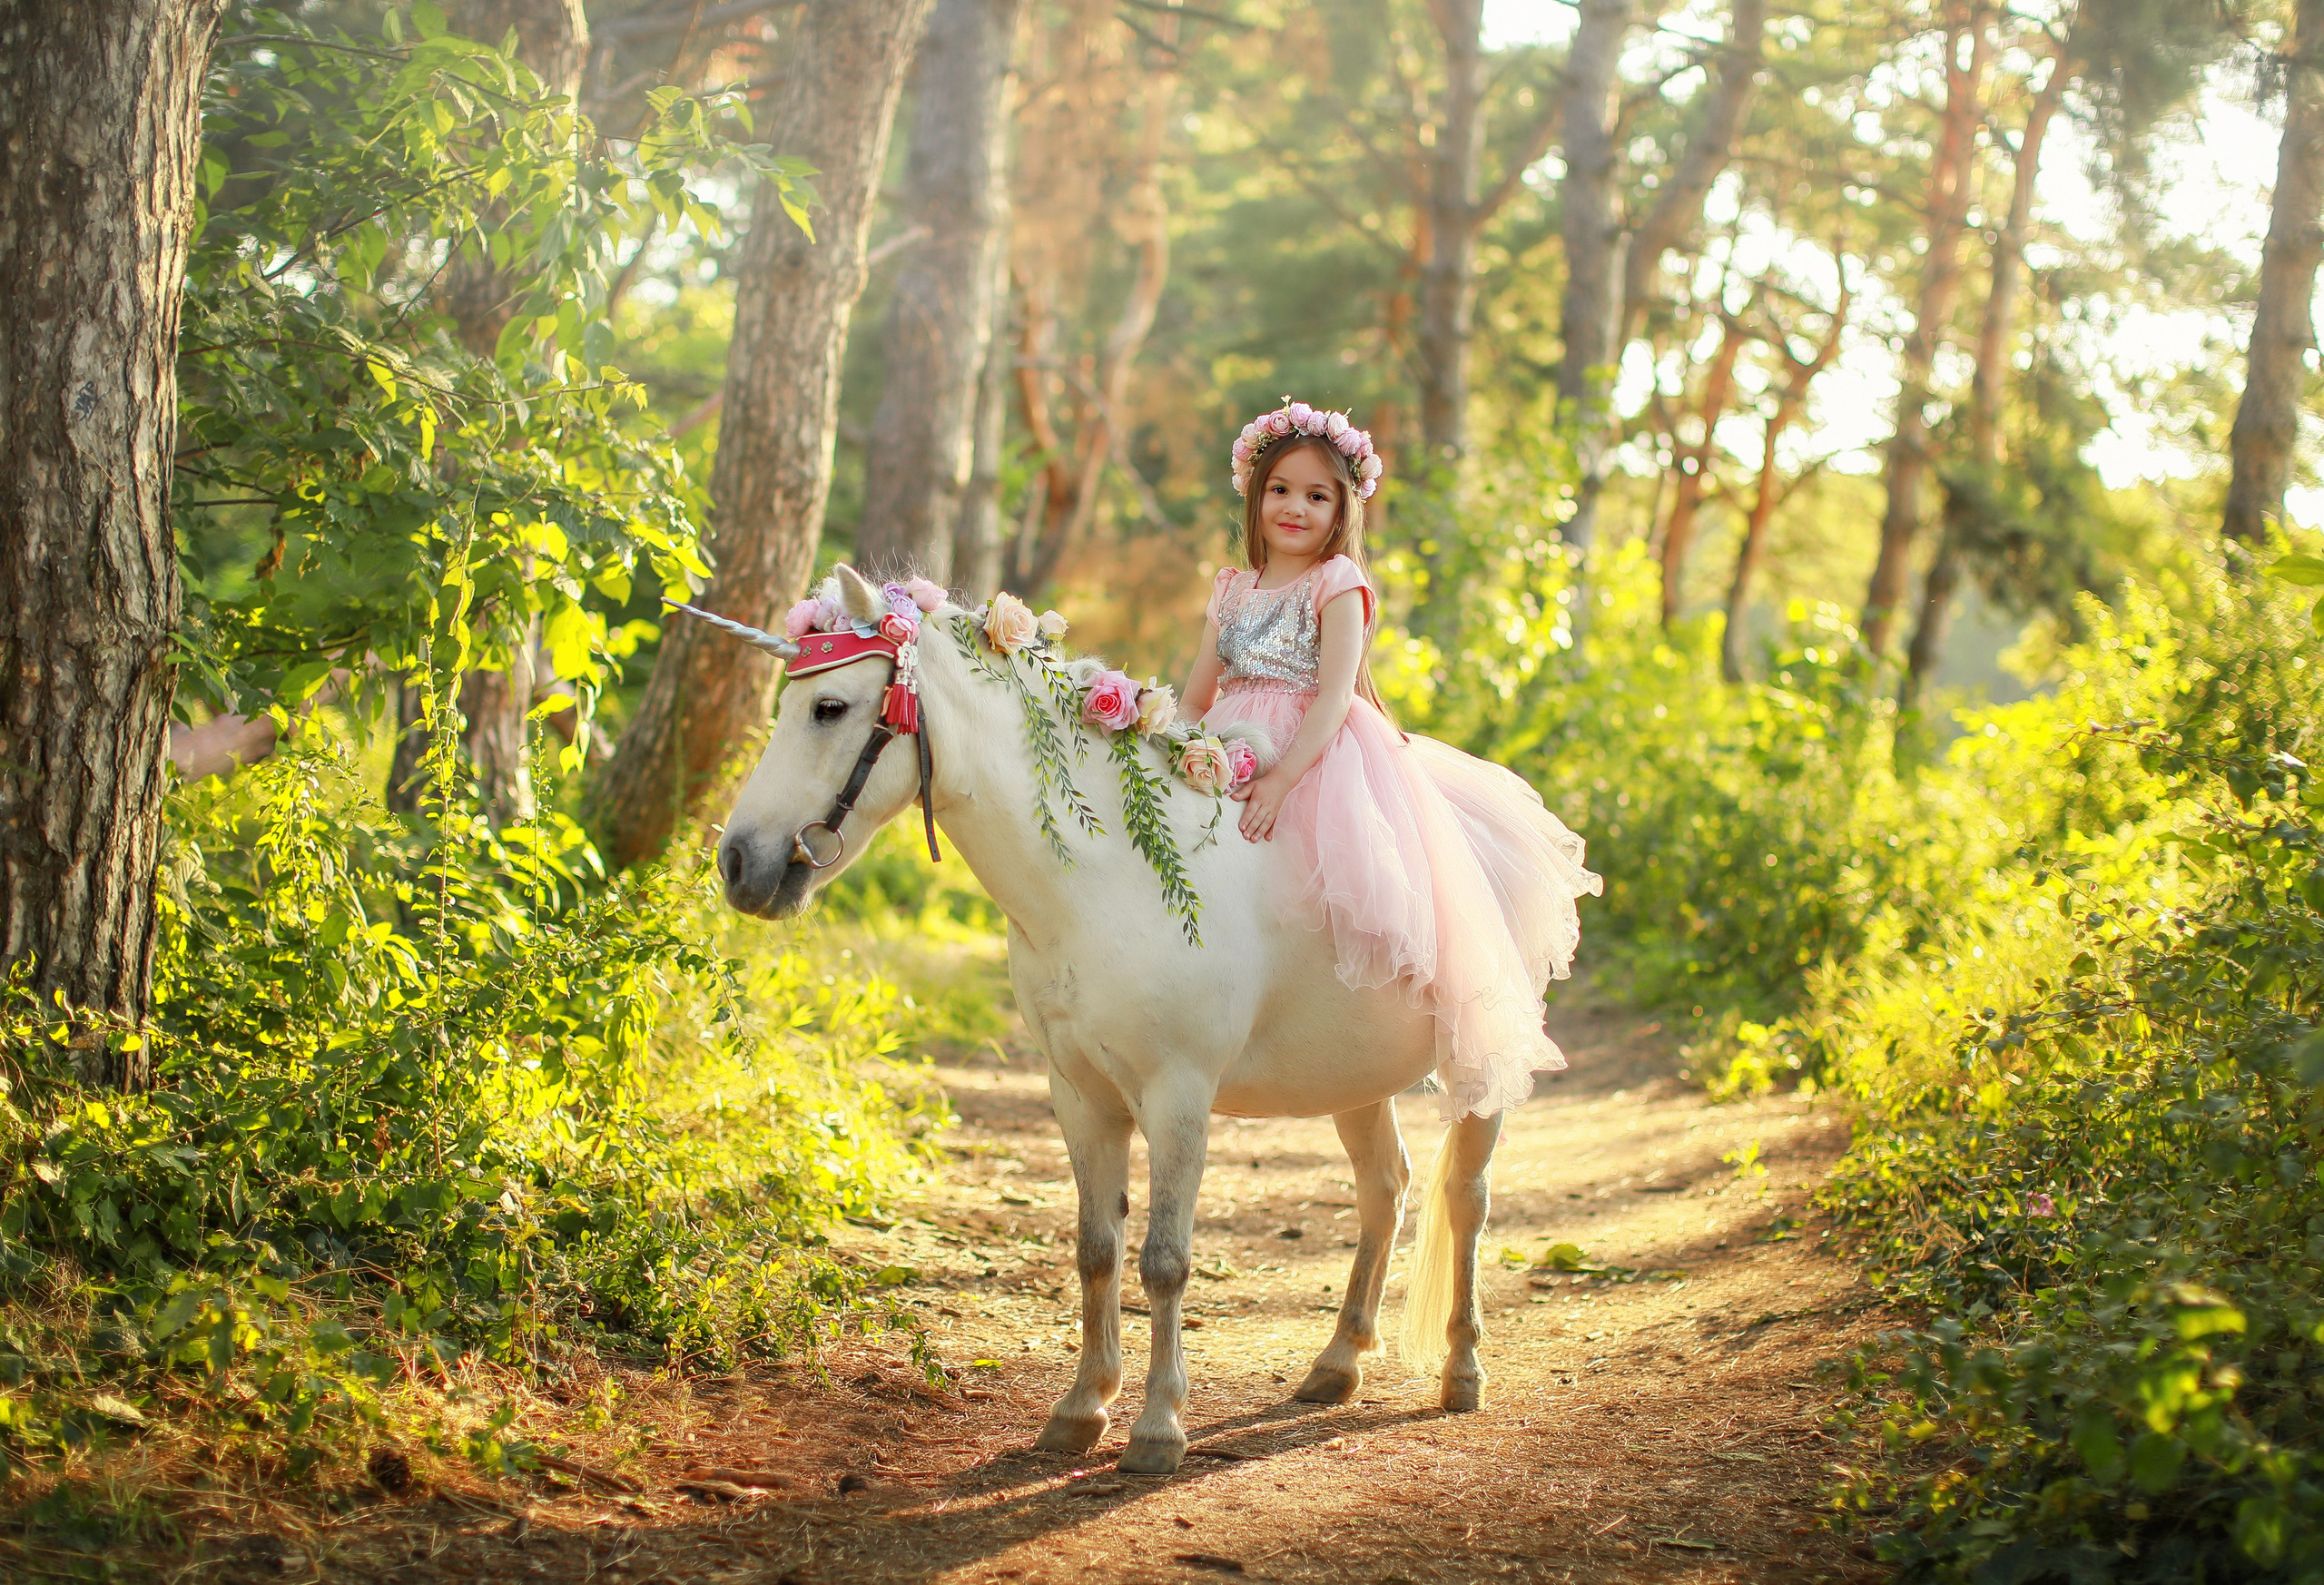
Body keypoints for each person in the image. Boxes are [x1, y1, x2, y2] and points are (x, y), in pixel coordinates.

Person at [1177, 399, 1604, 1119]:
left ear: (1342, 509)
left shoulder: (1336, 583)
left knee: (1338, 890)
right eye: (1280, 489)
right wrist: (1186, 748)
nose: (1295, 507)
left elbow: (1336, 696)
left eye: (1317, 495)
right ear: (1255, 495)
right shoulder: (1233, 588)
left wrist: (1283, 778)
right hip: (1230, 746)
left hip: (1316, 757)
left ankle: (1356, 1023)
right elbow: (1195, 692)